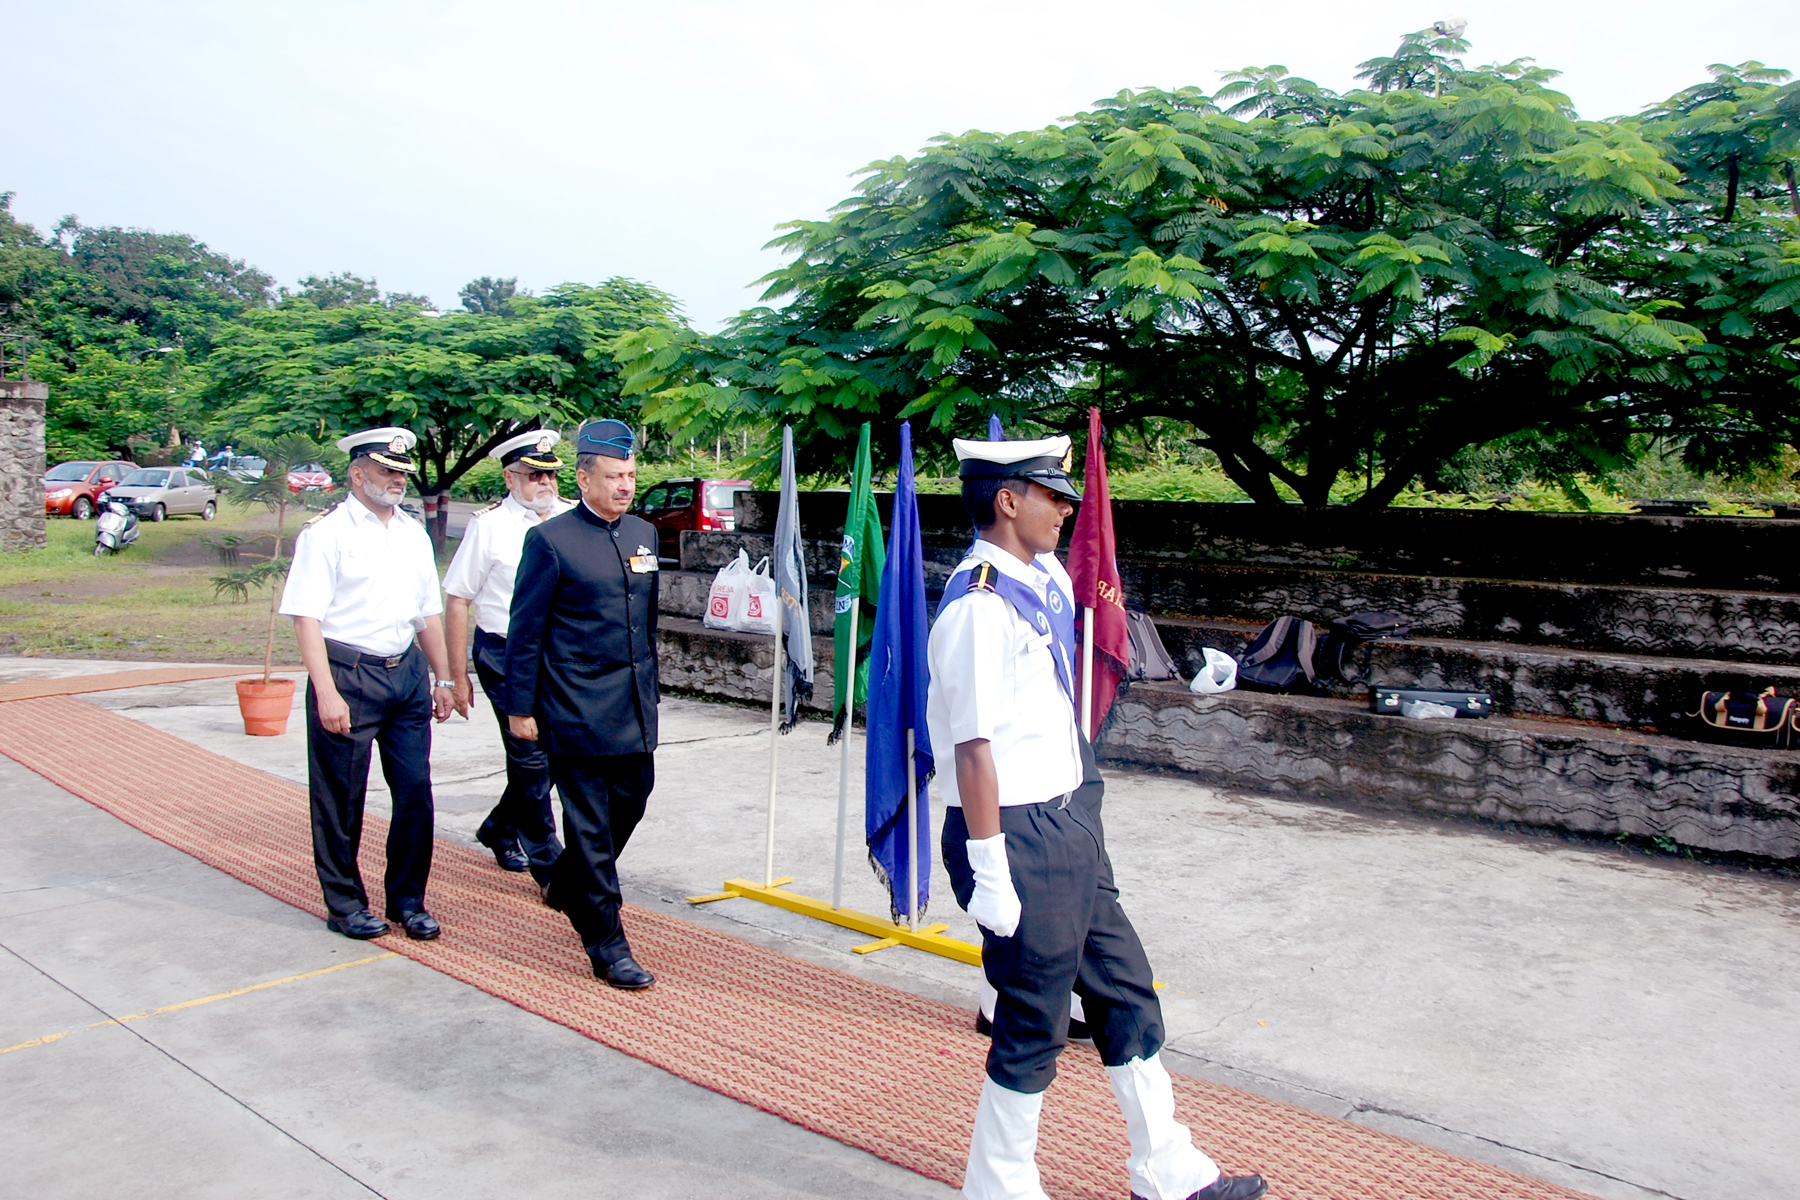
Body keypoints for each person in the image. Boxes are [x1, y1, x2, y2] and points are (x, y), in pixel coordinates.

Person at [929, 436, 1266, 1200]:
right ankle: (999, 1186)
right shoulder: (978, 607)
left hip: (1067, 814)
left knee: (1123, 987)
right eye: (1051, 495)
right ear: (1007, 501)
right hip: (1013, 831)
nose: (1066, 509)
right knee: (1033, 1020)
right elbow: (974, 748)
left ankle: (1165, 1165)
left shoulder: (1038, 575)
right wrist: (989, 868)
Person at [279, 426, 458, 942]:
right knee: (340, 799)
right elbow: (306, 618)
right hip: (348, 676)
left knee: (415, 792)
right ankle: (345, 904)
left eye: (402, 472)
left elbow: (427, 612)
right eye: (386, 471)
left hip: (405, 676)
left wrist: (444, 677)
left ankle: (408, 900)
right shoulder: (326, 534)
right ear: (357, 474)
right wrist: (326, 691)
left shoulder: (412, 533)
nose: (398, 480)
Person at [503, 418, 661, 990]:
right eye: (614, 476)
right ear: (584, 478)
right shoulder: (551, 541)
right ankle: (607, 943)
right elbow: (525, 632)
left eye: (631, 475)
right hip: (574, 708)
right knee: (590, 829)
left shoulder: (644, 534)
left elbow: (646, 623)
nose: (625, 485)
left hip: (632, 708)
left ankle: (569, 884)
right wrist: (520, 708)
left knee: (633, 801)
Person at [442, 430, 572, 883]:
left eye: (550, 475)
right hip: (504, 653)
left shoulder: (572, 518)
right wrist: (457, 676)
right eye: (534, 475)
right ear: (509, 478)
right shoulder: (489, 526)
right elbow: (459, 598)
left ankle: (500, 826)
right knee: (529, 755)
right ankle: (550, 867)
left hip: (557, 656)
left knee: (553, 754)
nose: (545, 483)